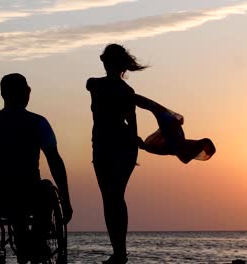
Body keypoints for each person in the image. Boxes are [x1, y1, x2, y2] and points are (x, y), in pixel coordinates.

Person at [0, 73, 73, 264]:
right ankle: (36, 240)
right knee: (45, 188)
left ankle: (27, 241)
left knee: (19, 199)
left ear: (3, 94)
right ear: (26, 93)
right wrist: (66, 198)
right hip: (29, 193)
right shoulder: (38, 123)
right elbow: (55, 162)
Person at [86, 44, 147, 264]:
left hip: (108, 146)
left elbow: (132, 122)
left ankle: (119, 252)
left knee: (111, 198)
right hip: (120, 146)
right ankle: (119, 252)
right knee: (116, 198)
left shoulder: (96, 84)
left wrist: (135, 139)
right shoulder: (125, 92)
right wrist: (135, 139)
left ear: (104, 62)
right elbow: (132, 122)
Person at [135, 94, 216, 163]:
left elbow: (185, 158)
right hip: (168, 134)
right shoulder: (179, 138)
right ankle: (131, 98)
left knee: (156, 109)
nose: (197, 144)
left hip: (167, 137)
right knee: (157, 109)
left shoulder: (178, 142)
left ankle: (131, 98)